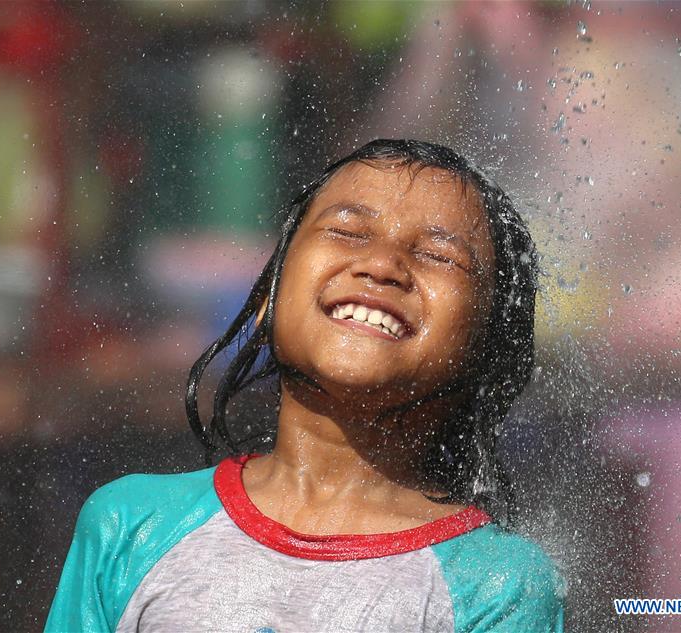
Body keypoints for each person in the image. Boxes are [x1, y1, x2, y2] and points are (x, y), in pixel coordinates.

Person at [45, 139, 565, 632]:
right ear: (268, 296)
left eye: (439, 256)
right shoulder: (129, 527)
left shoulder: (499, 584)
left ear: (484, 349)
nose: (382, 266)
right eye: (348, 232)